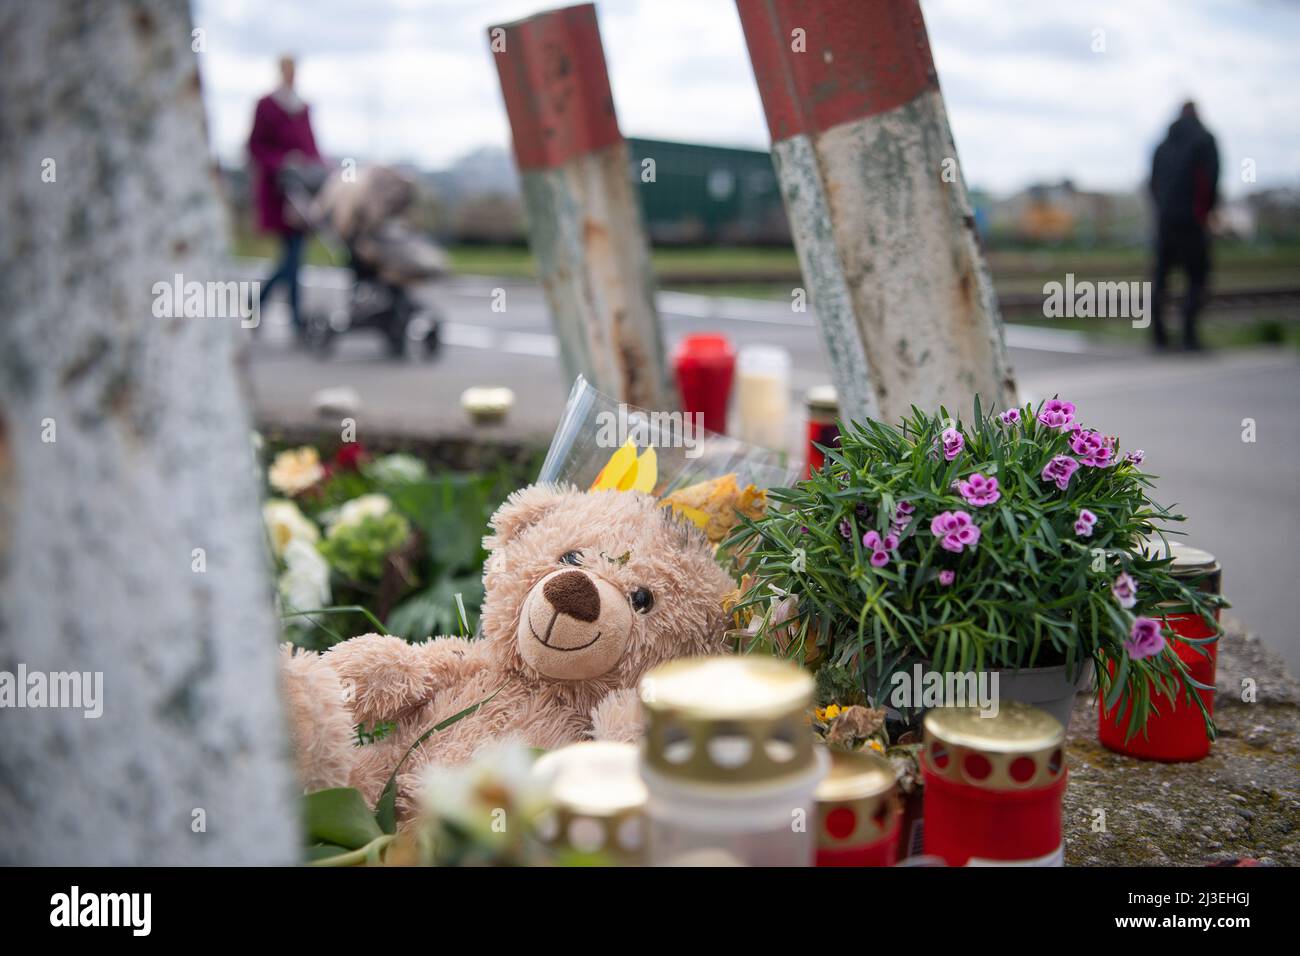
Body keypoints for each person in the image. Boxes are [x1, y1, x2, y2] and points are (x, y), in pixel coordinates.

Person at [248, 55, 321, 336]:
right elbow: (256, 146)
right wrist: (282, 163)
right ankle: (285, 313)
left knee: (294, 255)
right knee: (292, 255)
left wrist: (318, 171)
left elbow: (312, 147)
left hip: (303, 191)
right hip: (279, 193)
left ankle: (272, 309)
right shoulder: (267, 106)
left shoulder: (302, 107)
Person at [1148, 101, 1219, 351]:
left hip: (1165, 220)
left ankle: (1158, 336)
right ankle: (1189, 336)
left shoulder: (1161, 146)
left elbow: (1152, 184)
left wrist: (1161, 211)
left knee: (1161, 277)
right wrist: (1205, 213)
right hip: (1192, 220)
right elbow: (1210, 181)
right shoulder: (1205, 141)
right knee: (1197, 277)